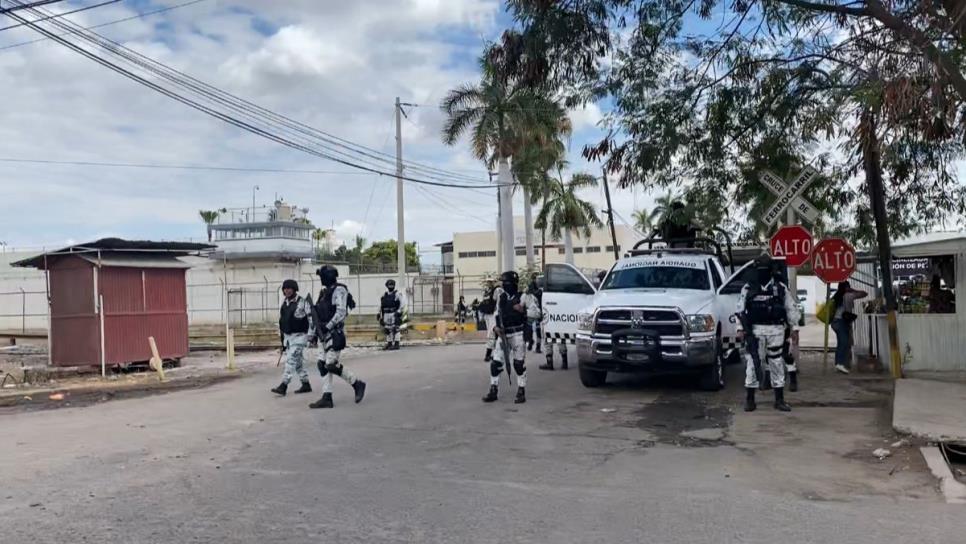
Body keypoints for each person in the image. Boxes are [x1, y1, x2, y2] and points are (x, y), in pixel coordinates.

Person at [738, 257, 801, 412]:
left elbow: (790, 308)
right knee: (753, 363)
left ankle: (779, 400)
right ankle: (750, 399)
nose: (763, 272)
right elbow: (740, 309)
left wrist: (794, 328)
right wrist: (740, 328)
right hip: (755, 331)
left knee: (776, 363)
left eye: (766, 269)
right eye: (760, 269)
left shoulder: (780, 288)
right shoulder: (748, 288)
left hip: (776, 330)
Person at [309, 266, 366, 409]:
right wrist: (313, 333)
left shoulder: (339, 290)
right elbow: (316, 314)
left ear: (328, 276)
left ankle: (356, 383)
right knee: (322, 365)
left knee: (331, 364)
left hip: (334, 333)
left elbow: (340, 312)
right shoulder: (324, 293)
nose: (320, 279)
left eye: (322, 276)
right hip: (323, 334)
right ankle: (327, 396)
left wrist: (327, 326)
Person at [482, 271, 529, 404]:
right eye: (503, 283)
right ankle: (493, 389)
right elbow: (497, 314)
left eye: (507, 282)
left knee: (518, 365)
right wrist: (496, 328)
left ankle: (521, 390)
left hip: (518, 334)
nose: (505, 285)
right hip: (503, 335)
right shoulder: (501, 297)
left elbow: (535, 312)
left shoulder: (523, 296)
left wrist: (522, 310)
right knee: (496, 363)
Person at [271, 279, 315, 396]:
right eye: (285, 289)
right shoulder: (284, 304)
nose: (287, 291)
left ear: (294, 289)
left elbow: (311, 319)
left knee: (290, 361)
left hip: (300, 336)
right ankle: (305, 384)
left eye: (289, 288)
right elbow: (282, 322)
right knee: (298, 362)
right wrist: (283, 341)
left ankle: (284, 385)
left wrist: (311, 335)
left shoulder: (302, 303)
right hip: (288, 337)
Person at [830, 281, 868, 374]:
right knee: (845, 342)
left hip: (834, 322)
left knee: (840, 343)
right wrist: (852, 290)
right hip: (841, 322)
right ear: (847, 287)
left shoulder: (836, 296)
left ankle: (838, 363)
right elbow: (864, 293)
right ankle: (840, 363)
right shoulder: (848, 295)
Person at [379, 279, 403, 351]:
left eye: (392, 285)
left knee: (395, 329)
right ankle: (389, 343)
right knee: (387, 329)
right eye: (389, 285)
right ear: (387, 286)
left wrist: (398, 312)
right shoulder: (384, 295)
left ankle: (396, 344)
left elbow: (402, 304)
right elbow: (381, 306)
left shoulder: (397, 294)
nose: (391, 286)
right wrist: (379, 314)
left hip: (393, 313)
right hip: (386, 314)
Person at [479, 280, 499, 362]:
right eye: (488, 282)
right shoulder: (487, 291)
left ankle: (490, 354)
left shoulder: (495, 291)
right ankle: (490, 355)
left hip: (492, 315)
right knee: (491, 334)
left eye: (491, 282)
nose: (489, 283)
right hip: (489, 315)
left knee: (492, 334)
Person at [523, 279, 543, 354]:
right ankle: (538, 346)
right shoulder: (540, 292)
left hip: (531, 313)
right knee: (538, 330)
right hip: (538, 312)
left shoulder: (529, 293)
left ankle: (531, 341)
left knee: (530, 329)